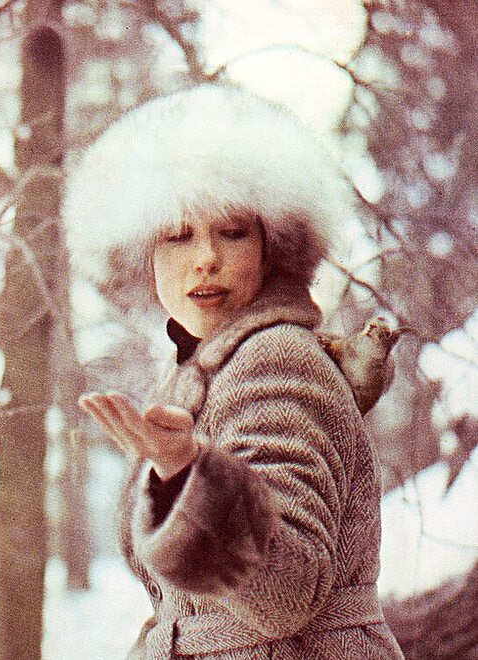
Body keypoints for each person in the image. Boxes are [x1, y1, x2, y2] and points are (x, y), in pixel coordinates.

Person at [63, 83, 404, 659]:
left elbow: (289, 594)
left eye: (232, 232)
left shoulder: (276, 358)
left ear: (274, 246)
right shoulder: (205, 371)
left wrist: (186, 475)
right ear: (144, 256)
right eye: (178, 236)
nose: (205, 258)